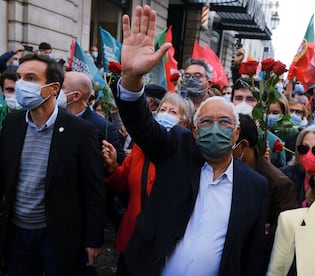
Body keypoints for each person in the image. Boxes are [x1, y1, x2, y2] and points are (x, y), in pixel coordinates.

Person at [115, 5, 268, 275]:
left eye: (224, 123)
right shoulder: (176, 149)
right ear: (194, 131)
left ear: (235, 134)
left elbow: (251, 253)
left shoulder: (255, 186)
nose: (215, 128)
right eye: (206, 122)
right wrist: (132, 76)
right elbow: (140, 123)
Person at [0, 53, 105, 274]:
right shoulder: (12, 124)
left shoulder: (81, 131)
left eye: (30, 78)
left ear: (53, 88)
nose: (20, 84)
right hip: (16, 234)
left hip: (58, 235)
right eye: (18, 77)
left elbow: (93, 190)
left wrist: (93, 239)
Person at [102, 92, 194, 275]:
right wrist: (112, 167)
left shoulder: (188, 156)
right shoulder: (140, 147)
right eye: (163, 109)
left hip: (162, 247)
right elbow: (122, 184)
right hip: (132, 238)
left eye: (173, 112)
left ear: (184, 123)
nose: (165, 114)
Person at [233, 114, 298, 272]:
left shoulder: (278, 184)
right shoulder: (223, 171)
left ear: (243, 146)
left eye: (225, 142)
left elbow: (281, 239)